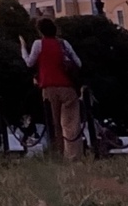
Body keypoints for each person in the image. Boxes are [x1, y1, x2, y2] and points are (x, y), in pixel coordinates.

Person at [21, 18, 83, 157]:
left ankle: (58, 153)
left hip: (48, 87)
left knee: (54, 123)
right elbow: (78, 63)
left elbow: (30, 63)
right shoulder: (63, 44)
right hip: (67, 86)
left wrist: (23, 48)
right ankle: (73, 155)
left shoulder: (38, 44)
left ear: (40, 31)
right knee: (71, 122)